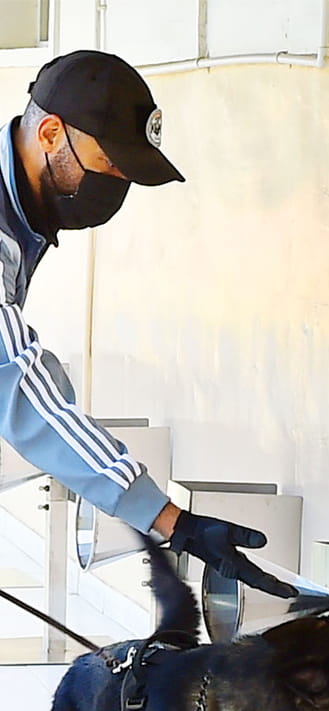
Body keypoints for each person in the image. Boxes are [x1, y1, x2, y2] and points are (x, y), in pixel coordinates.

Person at [0, 51, 288, 595]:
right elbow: (18, 385)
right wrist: (172, 521)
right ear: (52, 134)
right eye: (109, 163)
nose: (115, 183)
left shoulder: (19, 213)